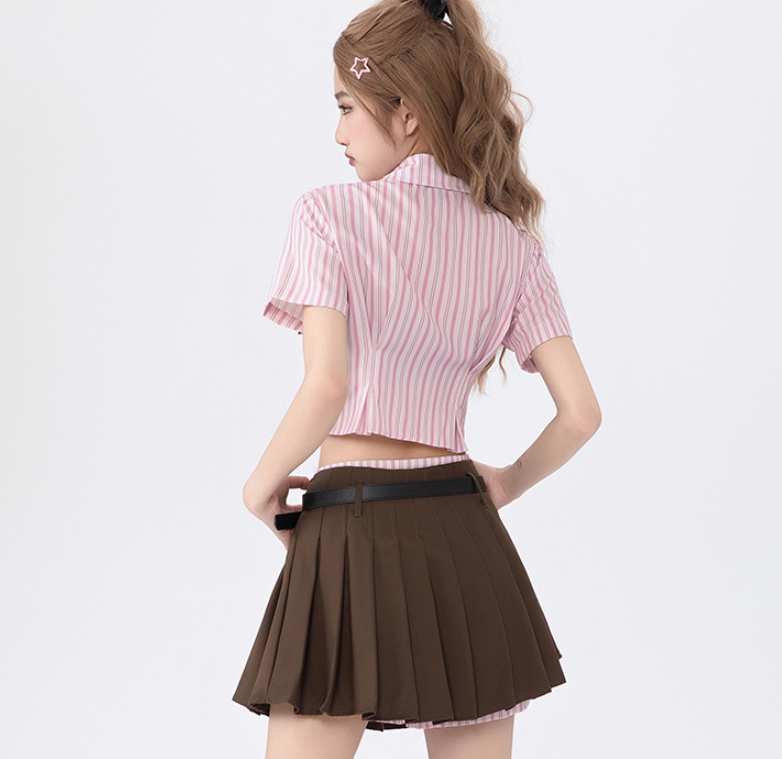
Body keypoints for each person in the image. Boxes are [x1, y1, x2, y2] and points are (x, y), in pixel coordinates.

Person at [233, 0, 601, 757]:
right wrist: (506, 483)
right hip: (464, 533)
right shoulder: (512, 245)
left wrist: (260, 486)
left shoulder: (328, 217)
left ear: (405, 112)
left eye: (346, 107)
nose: (338, 132)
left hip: (349, 527)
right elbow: (581, 414)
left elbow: (327, 385)